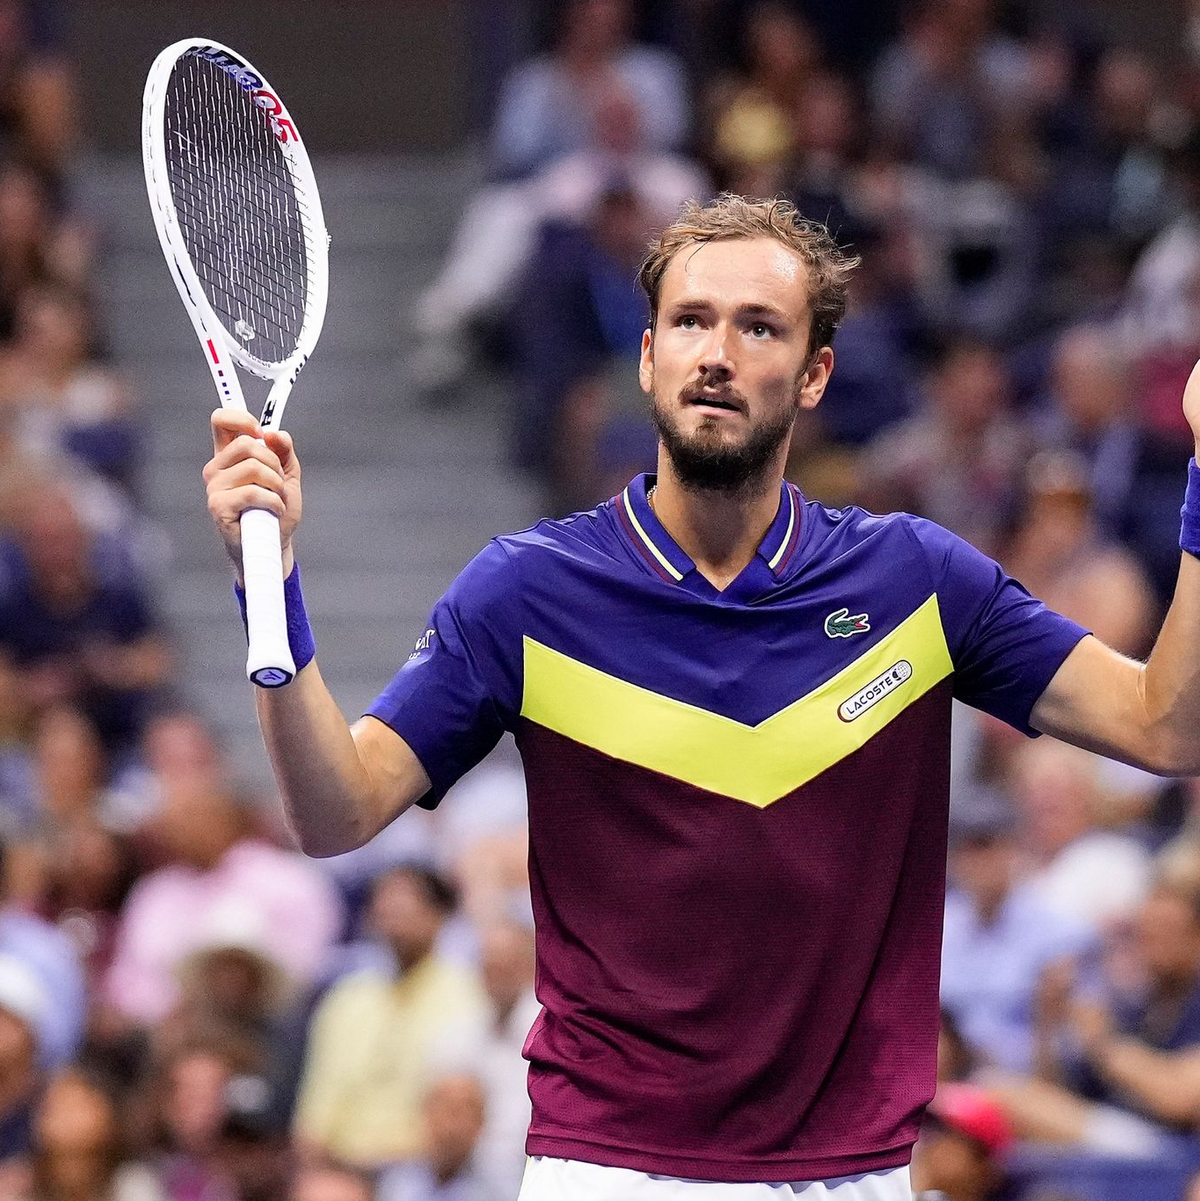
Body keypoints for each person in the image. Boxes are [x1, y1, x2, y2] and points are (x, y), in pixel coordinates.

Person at [203, 195, 1200, 1200]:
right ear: (647, 357)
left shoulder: (917, 584)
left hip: (853, 1174)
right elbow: (335, 811)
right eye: (691, 321)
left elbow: (1165, 725)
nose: (716, 352)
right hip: (607, 1167)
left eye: (757, 326)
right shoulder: (527, 592)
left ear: (814, 375)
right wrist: (269, 585)